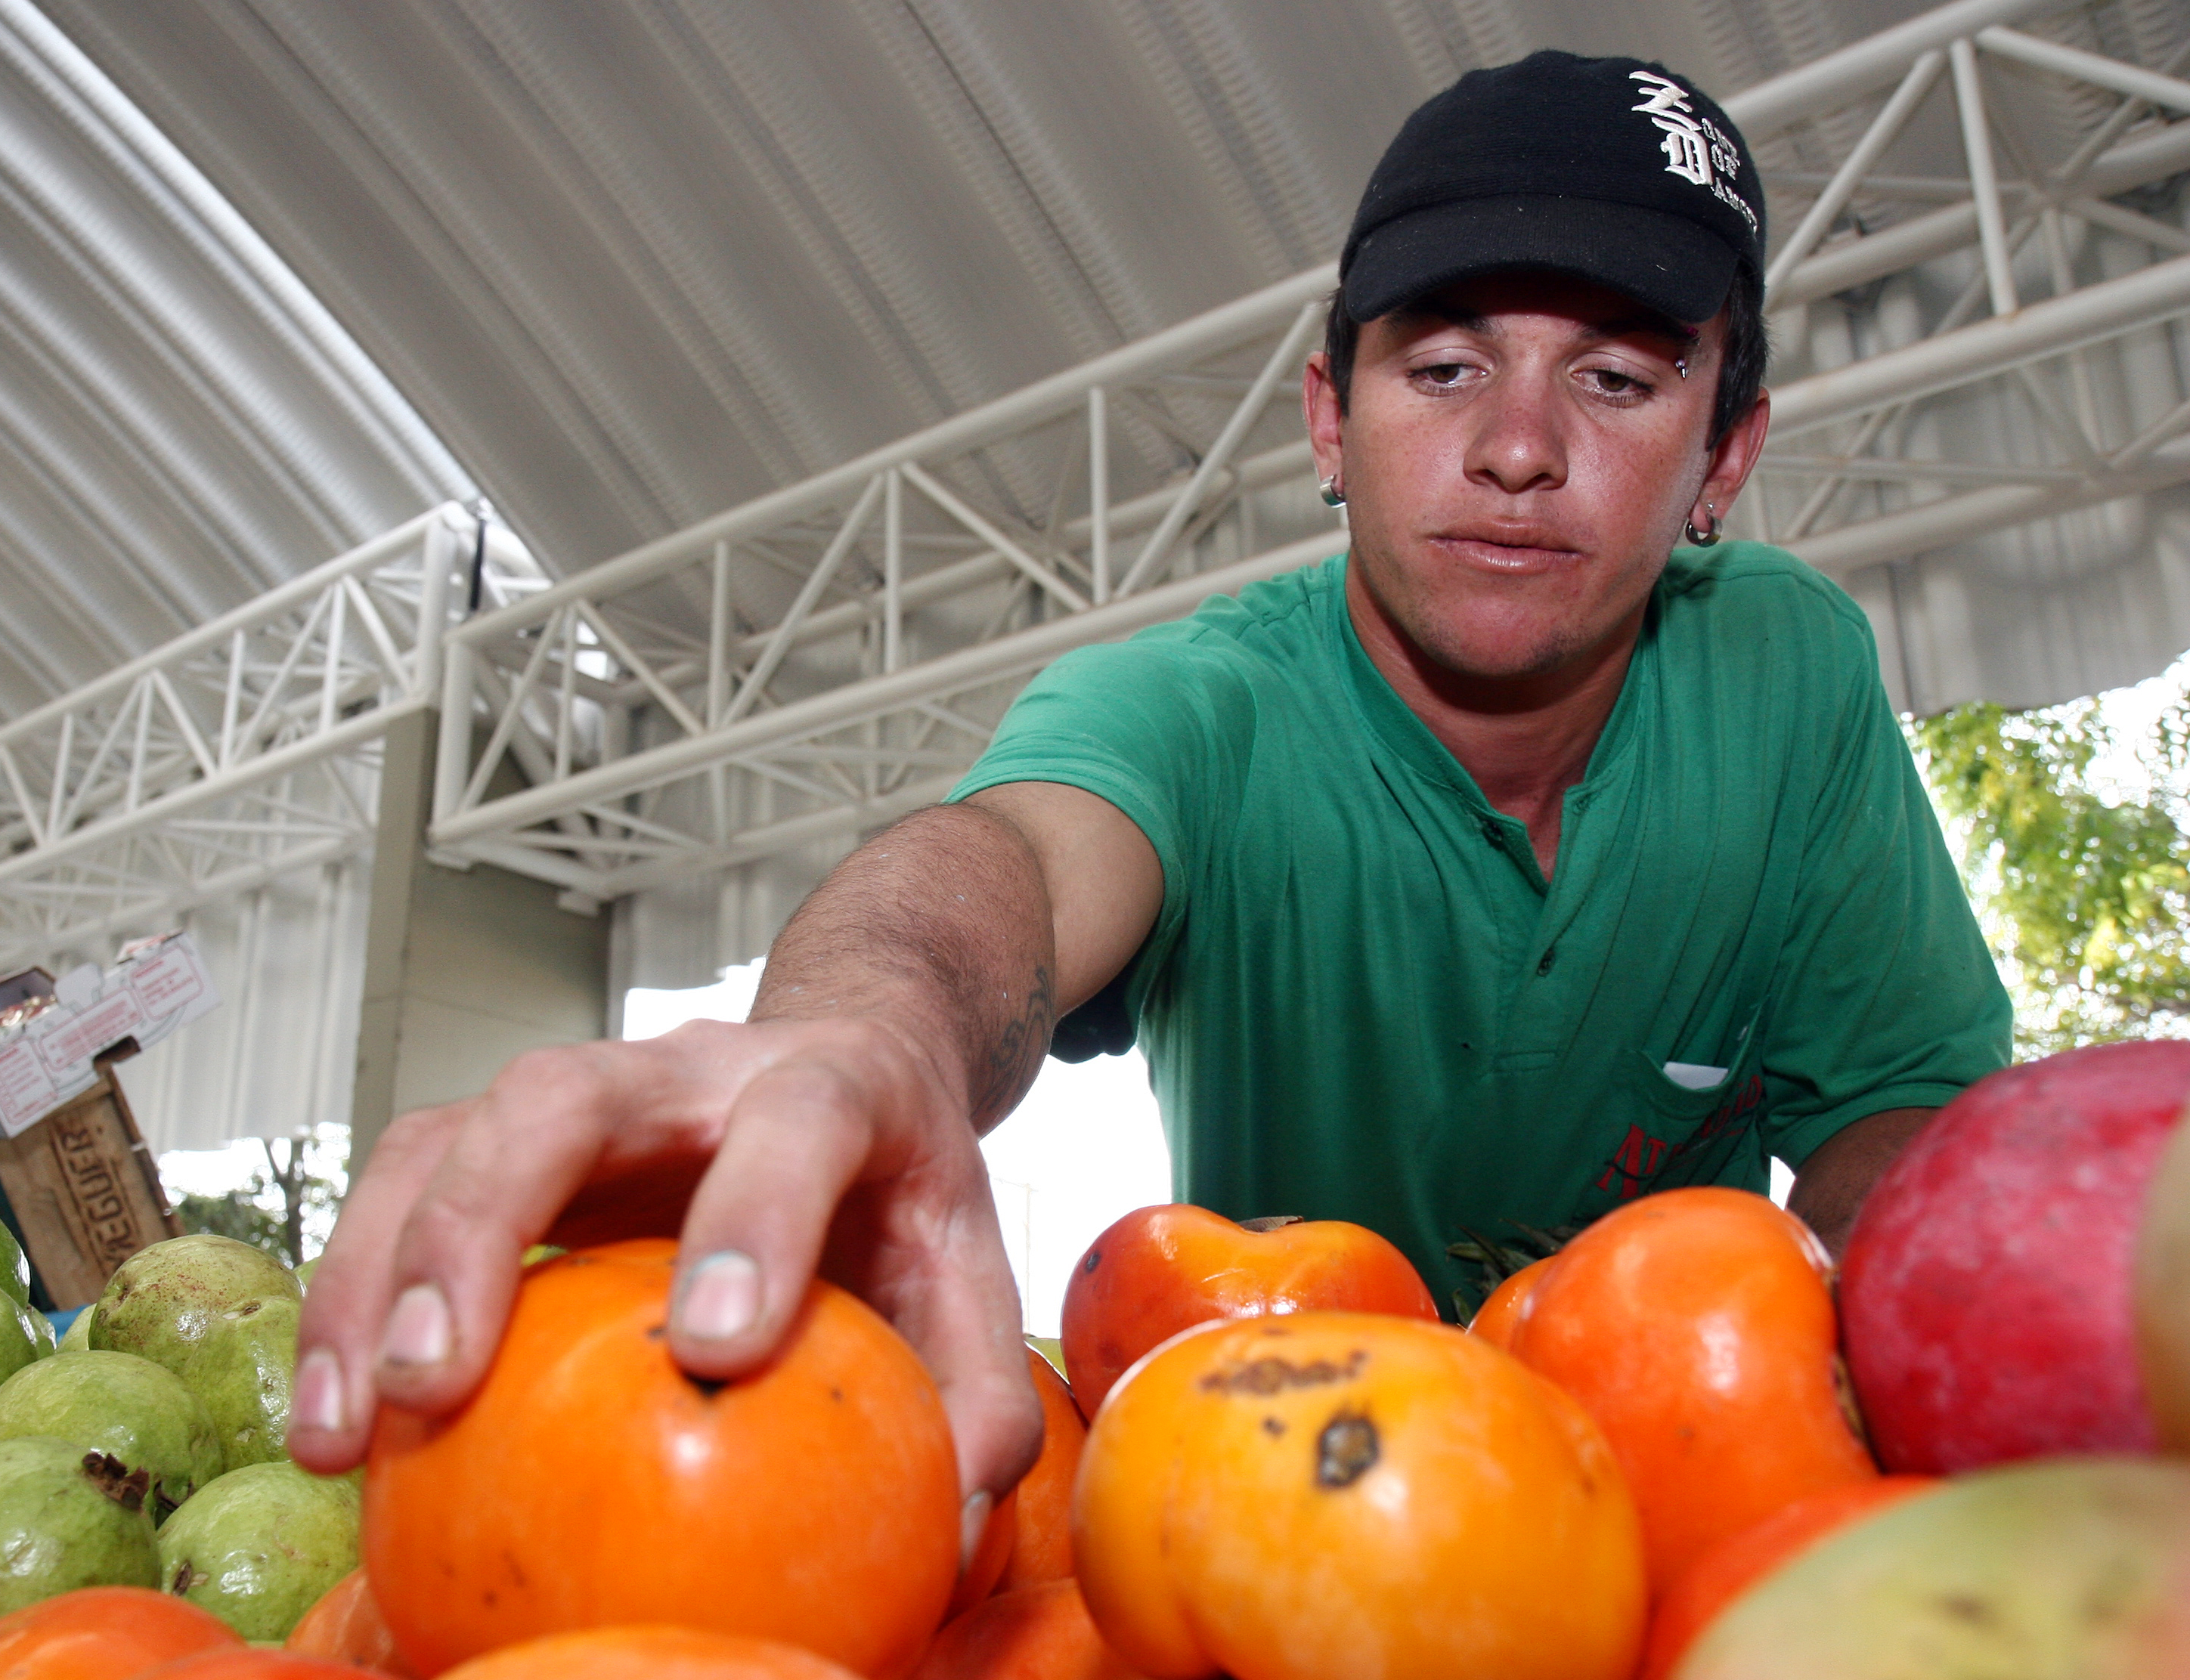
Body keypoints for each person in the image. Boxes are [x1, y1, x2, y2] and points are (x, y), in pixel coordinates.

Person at [288, 51, 2011, 1561]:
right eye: (1442, 367)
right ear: (1329, 419)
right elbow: (1010, 873)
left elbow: (1904, 1114)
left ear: (1727, 454)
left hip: (1677, 1509)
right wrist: (866, 1039)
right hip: (1288, 1524)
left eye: (1620, 380)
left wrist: (1867, 1355)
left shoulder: (1788, 678)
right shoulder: (1202, 705)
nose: (1517, 447)